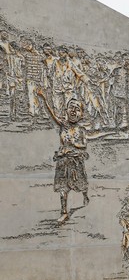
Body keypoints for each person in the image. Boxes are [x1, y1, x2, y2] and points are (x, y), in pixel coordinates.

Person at [36, 89, 90, 224]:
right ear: (66, 110)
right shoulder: (63, 125)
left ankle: (85, 194)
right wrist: (44, 98)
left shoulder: (81, 130)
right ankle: (64, 212)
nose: (73, 111)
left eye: (77, 109)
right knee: (63, 187)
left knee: (81, 183)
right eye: (71, 107)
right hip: (63, 162)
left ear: (81, 114)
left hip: (76, 161)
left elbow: (84, 145)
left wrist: (74, 144)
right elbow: (52, 113)